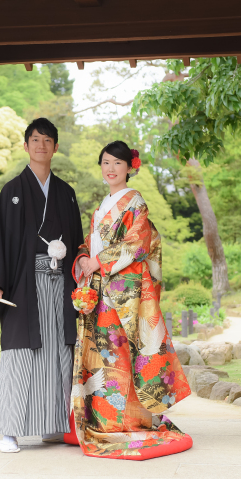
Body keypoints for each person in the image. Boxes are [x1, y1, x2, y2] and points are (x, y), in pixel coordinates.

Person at [66, 140, 193, 460]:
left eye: (117, 164)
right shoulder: (103, 205)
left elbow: (138, 242)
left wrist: (99, 261)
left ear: (129, 168)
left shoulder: (134, 201)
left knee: (119, 356)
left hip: (120, 292)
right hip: (99, 289)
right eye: (105, 163)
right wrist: (83, 258)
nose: (110, 169)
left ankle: (125, 421)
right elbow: (89, 242)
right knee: (100, 357)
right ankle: (102, 418)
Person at [0, 118, 84, 453]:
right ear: (26, 146)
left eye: (47, 140)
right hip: (24, 286)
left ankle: (54, 427)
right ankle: (10, 430)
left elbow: (78, 243)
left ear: (55, 147)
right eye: (34, 140)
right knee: (21, 354)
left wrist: (83, 277)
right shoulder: (12, 192)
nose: (40, 145)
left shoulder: (66, 193)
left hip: (61, 285)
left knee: (59, 354)